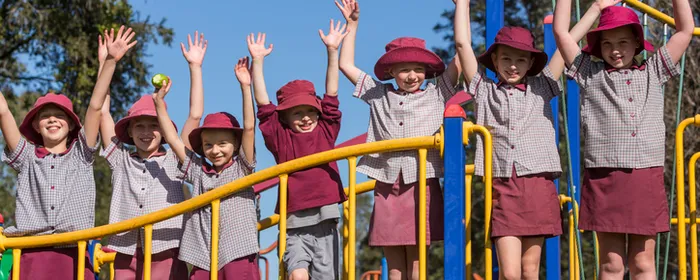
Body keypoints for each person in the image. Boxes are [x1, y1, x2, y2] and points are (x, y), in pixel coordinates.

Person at [553, 0, 694, 277]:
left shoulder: (654, 72)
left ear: (637, 43)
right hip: (604, 177)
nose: (615, 50)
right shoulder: (590, 74)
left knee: (642, 263)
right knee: (612, 264)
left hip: (643, 174)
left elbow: (685, 30)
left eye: (622, 42)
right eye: (607, 44)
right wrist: (595, 8)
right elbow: (561, 33)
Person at [335, 1, 461, 279]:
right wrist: (352, 25)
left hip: (422, 180)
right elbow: (346, 65)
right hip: (387, 182)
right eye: (404, 70)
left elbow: (461, 56)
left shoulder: (437, 93)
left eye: (417, 69)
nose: (412, 76)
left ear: (427, 72)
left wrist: (461, 7)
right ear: (391, 72)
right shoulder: (378, 94)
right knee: (394, 265)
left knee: (417, 264)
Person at [0, 26, 137, 279]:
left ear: (73, 124)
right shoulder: (27, 158)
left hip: (74, 250)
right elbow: (3, 112)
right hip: (32, 251)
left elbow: (95, 106)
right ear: (35, 126)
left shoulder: (82, 154)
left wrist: (109, 62)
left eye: (59, 116)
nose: (52, 121)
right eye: (45, 117)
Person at [99, 32, 208, 280]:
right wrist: (105, 63)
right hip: (126, 247)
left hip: (166, 246)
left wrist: (195, 67)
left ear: (164, 128)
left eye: (154, 125)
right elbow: (103, 112)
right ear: (128, 130)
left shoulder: (174, 159)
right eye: (139, 126)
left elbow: (194, 115)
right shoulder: (121, 159)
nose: (147, 132)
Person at [249, 23, 349, 280]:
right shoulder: (281, 138)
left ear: (318, 112)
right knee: (297, 275)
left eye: (310, 111)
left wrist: (332, 51)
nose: (305, 118)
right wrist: (257, 62)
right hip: (294, 221)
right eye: (297, 112)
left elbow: (332, 95)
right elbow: (263, 107)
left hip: (325, 218)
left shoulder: (325, 131)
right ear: (286, 117)